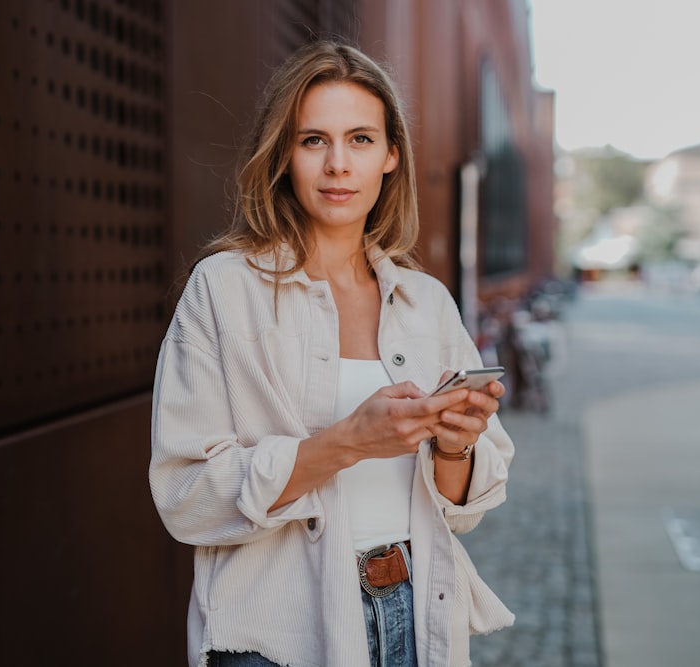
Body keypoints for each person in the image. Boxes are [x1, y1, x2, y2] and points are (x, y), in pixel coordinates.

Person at [149, 39, 515, 667]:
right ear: (284, 155)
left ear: (392, 155)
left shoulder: (427, 303)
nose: (338, 164)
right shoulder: (224, 290)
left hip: (413, 611)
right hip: (275, 631)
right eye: (314, 140)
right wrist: (347, 441)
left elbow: (461, 513)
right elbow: (187, 497)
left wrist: (455, 444)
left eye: (361, 140)